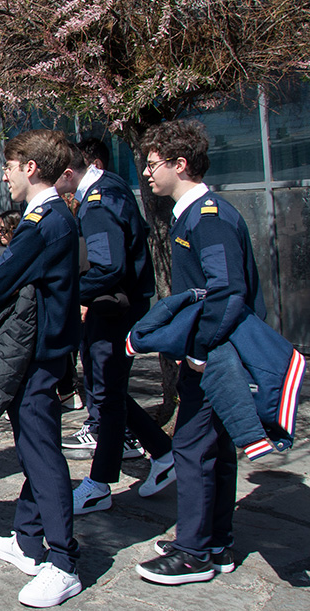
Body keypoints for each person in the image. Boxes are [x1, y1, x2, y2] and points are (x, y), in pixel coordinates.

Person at [134, 119, 256, 584]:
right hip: (210, 353)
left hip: (214, 356)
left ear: (180, 164)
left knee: (190, 446)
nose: (147, 173)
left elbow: (226, 291)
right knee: (215, 449)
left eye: (153, 164)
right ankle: (214, 541)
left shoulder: (208, 217)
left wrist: (200, 351)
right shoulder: (192, 214)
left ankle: (193, 554)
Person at [0, 130, 83, 607]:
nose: (5, 175)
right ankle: (27, 539)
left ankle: (62, 560)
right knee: (32, 446)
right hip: (44, 351)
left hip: (39, 354)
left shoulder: (44, 221)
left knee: (42, 453)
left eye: (9, 166)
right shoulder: (50, 216)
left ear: (31, 168)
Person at [54, 142, 175, 516]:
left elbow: (108, 267)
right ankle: (163, 452)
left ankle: (99, 484)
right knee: (111, 391)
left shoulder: (97, 202)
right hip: (121, 305)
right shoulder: (111, 184)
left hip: (114, 310)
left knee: (105, 395)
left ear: (68, 173)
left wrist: (70, 293)